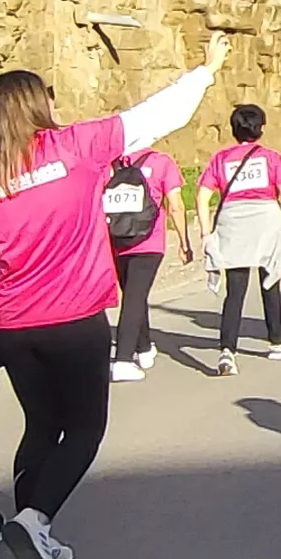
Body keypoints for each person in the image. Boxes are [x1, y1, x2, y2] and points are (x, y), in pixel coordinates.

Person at [0, 43, 227, 559]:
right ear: (36, 105)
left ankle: (30, 534)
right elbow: (159, 115)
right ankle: (34, 522)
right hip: (74, 317)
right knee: (85, 428)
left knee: (40, 425)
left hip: (13, 325)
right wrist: (204, 71)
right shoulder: (77, 145)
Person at [201, 103, 281, 373]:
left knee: (235, 290)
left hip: (233, 223)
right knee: (271, 279)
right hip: (266, 220)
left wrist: (206, 232)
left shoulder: (221, 159)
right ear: (261, 129)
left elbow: (202, 195)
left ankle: (227, 351)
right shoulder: (270, 157)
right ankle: (276, 340)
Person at [102, 127, 189, 384]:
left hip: (117, 240)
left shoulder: (111, 166)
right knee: (134, 296)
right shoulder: (161, 162)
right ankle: (123, 360)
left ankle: (144, 347)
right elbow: (175, 204)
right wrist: (184, 240)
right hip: (149, 242)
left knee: (133, 293)